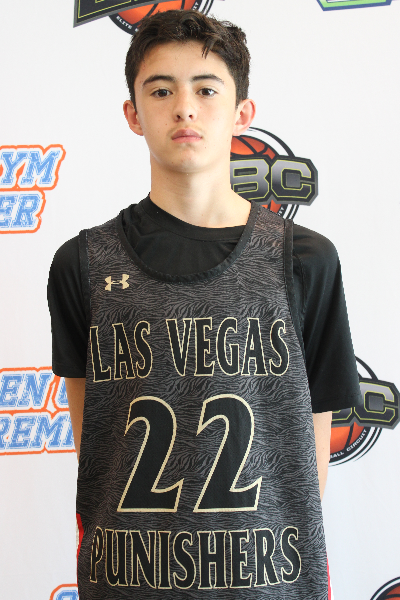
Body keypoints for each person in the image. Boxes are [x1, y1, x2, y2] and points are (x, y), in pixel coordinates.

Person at [47, 9, 361, 599]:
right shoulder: (82, 265)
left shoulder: (305, 261)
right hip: (129, 581)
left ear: (242, 112)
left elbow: (308, 456)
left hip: (269, 582)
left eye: (206, 89)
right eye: (161, 90)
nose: (184, 108)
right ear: (133, 114)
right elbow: (97, 445)